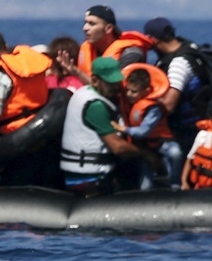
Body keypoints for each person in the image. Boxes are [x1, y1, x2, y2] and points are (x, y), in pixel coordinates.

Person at [60, 57, 161, 195]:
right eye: (110, 84)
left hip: (79, 174)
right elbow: (118, 147)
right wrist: (146, 154)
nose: (116, 88)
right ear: (95, 81)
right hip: (91, 178)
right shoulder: (96, 106)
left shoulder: (84, 92)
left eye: (117, 82)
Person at [0, 30, 59, 185]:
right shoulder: (32, 65)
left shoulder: (0, 75)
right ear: (6, 47)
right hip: (45, 139)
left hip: (16, 147)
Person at [143, 16, 209, 155]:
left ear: (152, 40)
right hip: (198, 125)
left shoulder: (178, 64)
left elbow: (169, 105)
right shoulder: (191, 47)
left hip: (188, 131)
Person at [115, 64, 183, 190]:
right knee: (145, 186)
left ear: (146, 91)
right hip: (143, 145)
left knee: (175, 153)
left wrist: (123, 129)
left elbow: (143, 131)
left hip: (160, 141)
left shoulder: (153, 108)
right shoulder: (127, 101)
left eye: (134, 92)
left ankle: (175, 185)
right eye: (127, 90)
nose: (129, 94)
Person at [63, 5, 152, 85]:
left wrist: (77, 72)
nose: (85, 28)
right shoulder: (88, 48)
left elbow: (111, 90)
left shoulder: (130, 54)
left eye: (92, 24)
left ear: (108, 28)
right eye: (85, 23)